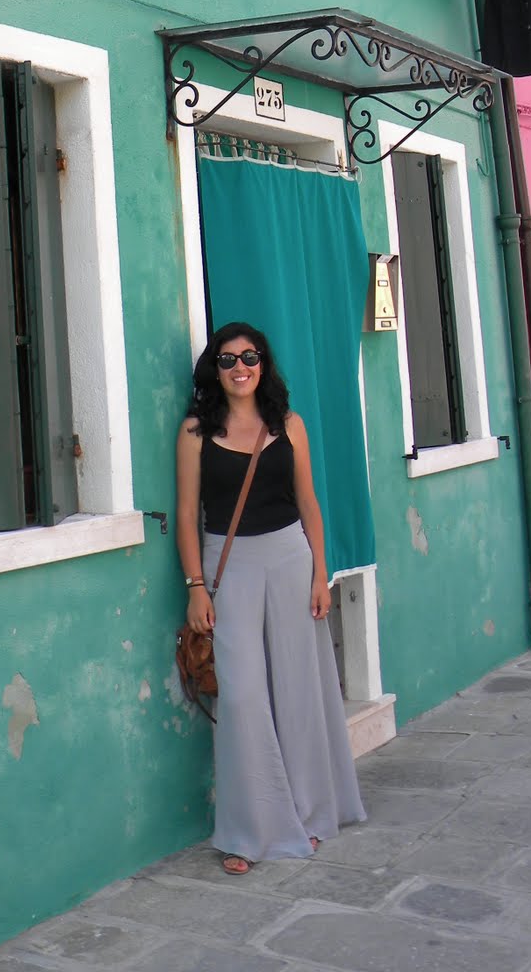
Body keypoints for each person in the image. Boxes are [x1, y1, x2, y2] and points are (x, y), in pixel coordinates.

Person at [175, 320, 365, 874]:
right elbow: (186, 514)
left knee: (298, 687)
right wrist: (195, 586)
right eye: (228, 359)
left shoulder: (289, 424)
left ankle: (306, 814)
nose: (240, 368)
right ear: (214, 369)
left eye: (249, 357)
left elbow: (308, 502)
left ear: (264, 364)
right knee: (240, 698)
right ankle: (247, 832)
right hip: (227, 564)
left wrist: (321, 574)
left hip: (289, 558)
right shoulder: (194, 432)